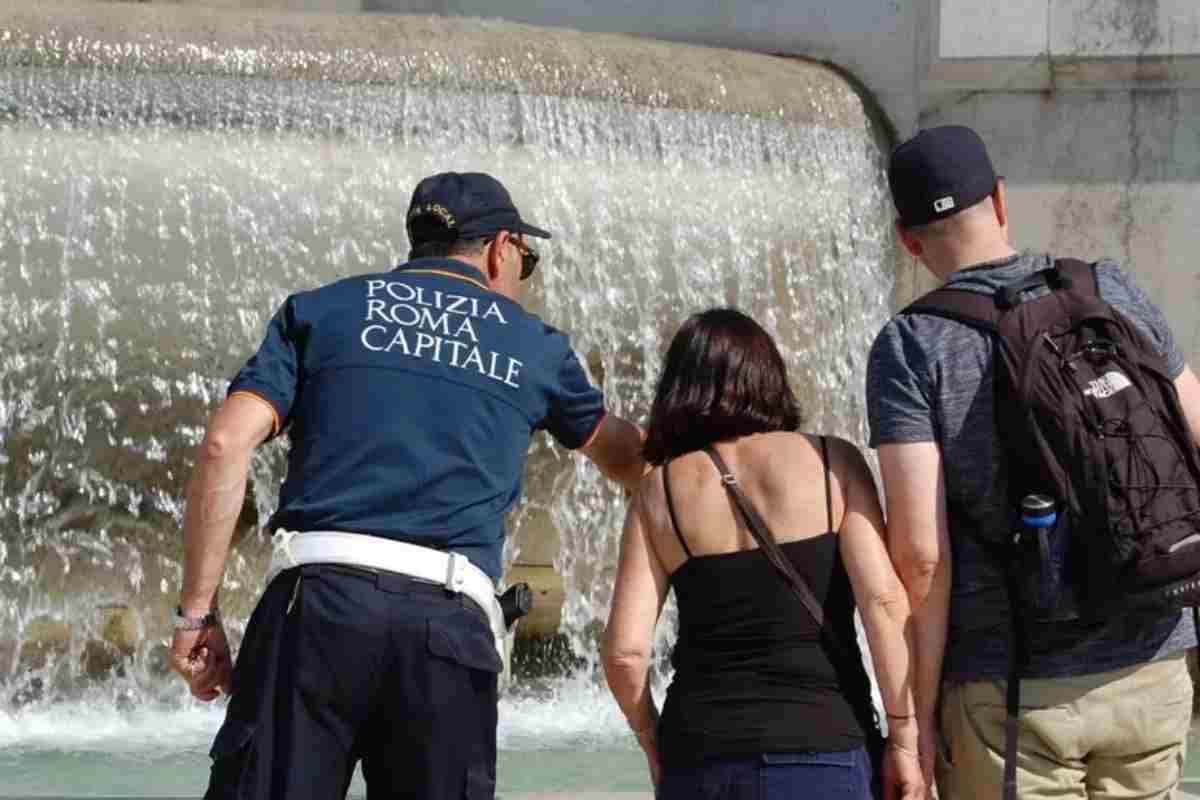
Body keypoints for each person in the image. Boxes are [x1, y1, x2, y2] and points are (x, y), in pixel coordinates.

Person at [168, 171, 646, 800]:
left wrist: (197, 613)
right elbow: (631, 460)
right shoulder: (534, 346)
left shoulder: (320, 310)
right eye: (526, 261)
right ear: (501, 247)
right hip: (447, 628)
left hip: (313, 609)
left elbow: (225, 444)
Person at [868, 125, 1200, 799]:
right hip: (1155, 662)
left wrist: (913, 728)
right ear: (998, 198)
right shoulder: (1111, 289)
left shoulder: (911, 344)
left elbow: (921, 557)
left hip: (1011, 689)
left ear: (908, 238)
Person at [603, 308, 924, 800]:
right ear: (768, 376)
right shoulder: (831, 462)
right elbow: (883, 604)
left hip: (700, 755)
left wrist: (651, 738)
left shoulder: (659, 491)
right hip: (823, 748)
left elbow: (625, 653)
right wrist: (905, 737)